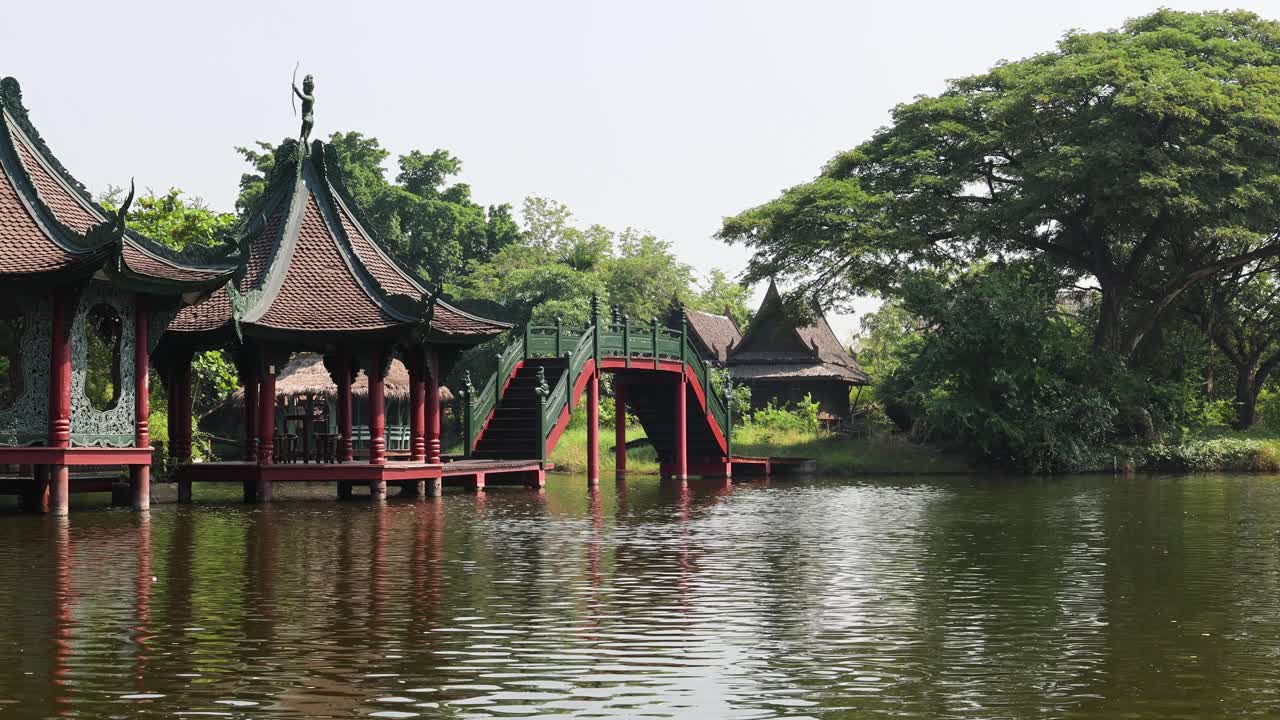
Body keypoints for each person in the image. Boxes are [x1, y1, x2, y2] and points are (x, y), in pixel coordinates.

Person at [293, 74, 315, 145]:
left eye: (305, 87)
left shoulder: (310, 98)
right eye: (303, 87)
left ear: (309, 88)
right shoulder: (311, 98)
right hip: (310, 118)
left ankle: (301, 137)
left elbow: (301, 96)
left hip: (308, 119)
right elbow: (312, 111)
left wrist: (296, 89)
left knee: (305, 120)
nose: (303, 88)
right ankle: (308, 153)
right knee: (306, 140)